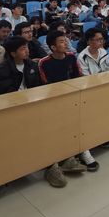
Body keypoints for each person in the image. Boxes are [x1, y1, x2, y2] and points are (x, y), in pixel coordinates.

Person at [37, 31, 87, 183]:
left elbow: (78, 78)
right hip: (53, 102)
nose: (66, 43)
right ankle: (52, 165)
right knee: (54, 130)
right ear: (53, 47)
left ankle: (69, 157)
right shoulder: (44, 62)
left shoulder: (71, 57)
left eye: (66, 40)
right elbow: (46, 86)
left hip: (72, 99)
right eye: (61, 41)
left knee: (74, 126)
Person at [74, 27, 109, 168]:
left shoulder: (104, 52)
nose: (101, 42)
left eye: (102, 39)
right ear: (89, 41)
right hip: (89, 92)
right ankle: (85, 149)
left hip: (104, 88)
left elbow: (108, 71)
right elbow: (86, 79)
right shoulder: (82, 57)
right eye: (98, 40)